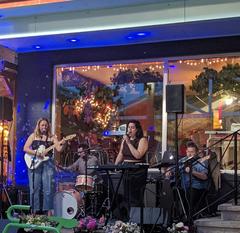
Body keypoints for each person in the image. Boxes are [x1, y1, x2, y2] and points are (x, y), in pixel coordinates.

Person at [23, 118, 66, 215]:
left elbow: (59, 149)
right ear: (38, 126)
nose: (44, 127)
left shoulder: (52, 137)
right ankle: (34, 213)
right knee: (34, 188)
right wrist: (36, 153)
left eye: (46, 125)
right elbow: (25, 148)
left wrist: (64, 143)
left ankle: (48, 215)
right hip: (35, 163)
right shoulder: (33, 136)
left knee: (48, 189)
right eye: (42, 125)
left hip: (48, 164)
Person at [115, 120, 148, 220]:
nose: (130, 129)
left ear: (137, 129)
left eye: (132, 127)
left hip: (138, 171)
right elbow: (121, 154)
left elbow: (138, 155)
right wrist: (115, 165)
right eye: (129, 127)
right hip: (127, 169)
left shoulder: (142, 140)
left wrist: (129, 142)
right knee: (127, 197)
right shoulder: (124, 140)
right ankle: (129, 219)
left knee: (135, 198)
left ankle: (137, 221)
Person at [179, 141, 209, 216]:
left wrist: (192, 172)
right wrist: (169, 172)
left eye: (192, 152)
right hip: (184, 186)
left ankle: (190, 218)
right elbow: (174, 170)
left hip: (197, 187)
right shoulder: (182, 160)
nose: (189, 154)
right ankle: (180, 218)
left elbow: (204, 177)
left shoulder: (201, 161)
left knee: (190, 195)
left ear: (196, 152)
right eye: (188, 151)